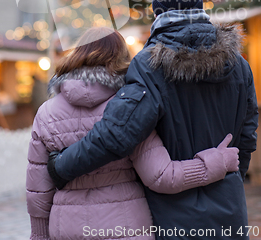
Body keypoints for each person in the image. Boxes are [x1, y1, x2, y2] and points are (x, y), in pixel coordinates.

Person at [48, 0, 259, 239]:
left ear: (159, 14)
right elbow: (247, 136)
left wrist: (62, 166)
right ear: (199, 7)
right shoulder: (240, 65)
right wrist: (231, 179)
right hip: (230, 211)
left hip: (174, 218)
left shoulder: (151, 65)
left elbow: (117, 134)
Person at [27, 27, 239, 240]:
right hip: (124, 226)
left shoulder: (46, 112)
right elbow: (163, 176)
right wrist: (216, 162)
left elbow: (38, 189)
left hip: (66, 227)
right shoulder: (130, 109)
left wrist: (39, 236)